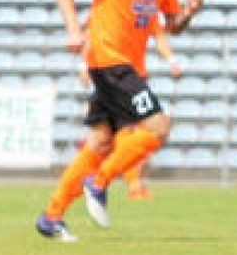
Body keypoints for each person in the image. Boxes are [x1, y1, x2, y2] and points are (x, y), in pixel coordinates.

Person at [35, 0, 204, 243]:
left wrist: (190, 10)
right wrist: (73, 30)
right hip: (109, 59)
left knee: (99, 140)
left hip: (130, 66)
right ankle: (98, 182)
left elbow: (171, 24)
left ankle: (51, 216)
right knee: (158, 126)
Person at [77, 25, 182, 201]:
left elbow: (160, 35)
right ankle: (110, 182)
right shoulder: (111, 8)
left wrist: (172, 60)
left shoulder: (146, 6)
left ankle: (129, 184)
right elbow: (90, 35)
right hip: (115, 78)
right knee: (128, 135)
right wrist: (83, 67)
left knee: (129, 137)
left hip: (132, 80)